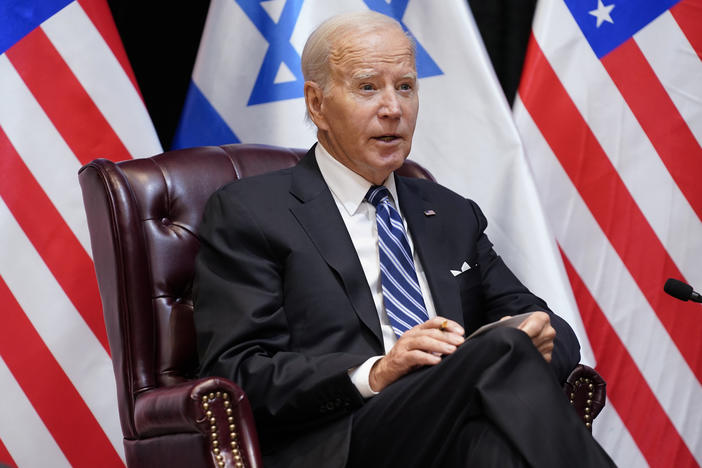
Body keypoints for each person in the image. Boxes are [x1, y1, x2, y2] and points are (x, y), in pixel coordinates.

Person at [194, 11, 615, 468]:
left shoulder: (450, 213)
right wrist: (379, 370)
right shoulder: (252, 212)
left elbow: (553, 331)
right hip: (348, 435)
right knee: (500, 350)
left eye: (407, 87)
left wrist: (537, 339)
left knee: (491, 443)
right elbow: (238, 371)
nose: (393, 108)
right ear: (317, 105)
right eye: (368, 87)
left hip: (455, 424)